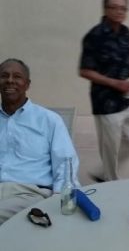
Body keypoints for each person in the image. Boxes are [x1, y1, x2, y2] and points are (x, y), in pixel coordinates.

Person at [0, 58, 80, 225]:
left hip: (27, 194)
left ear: (27, 84)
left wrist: (60, 198)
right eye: (4, 76)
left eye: (17, 76)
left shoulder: (48, 120)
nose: (10, 80)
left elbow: (66, 163)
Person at [79, 0, 129, 182]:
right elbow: (85, 70)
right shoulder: (94, 36)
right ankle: (109, 181)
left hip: (126, 98)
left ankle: (103, 173)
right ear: (105, 9)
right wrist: (114, 83)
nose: (119, 11)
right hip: (105, 101)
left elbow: (124, 62)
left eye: (123, 8)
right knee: (110, 147)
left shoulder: (126, 32)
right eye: (114, 7)